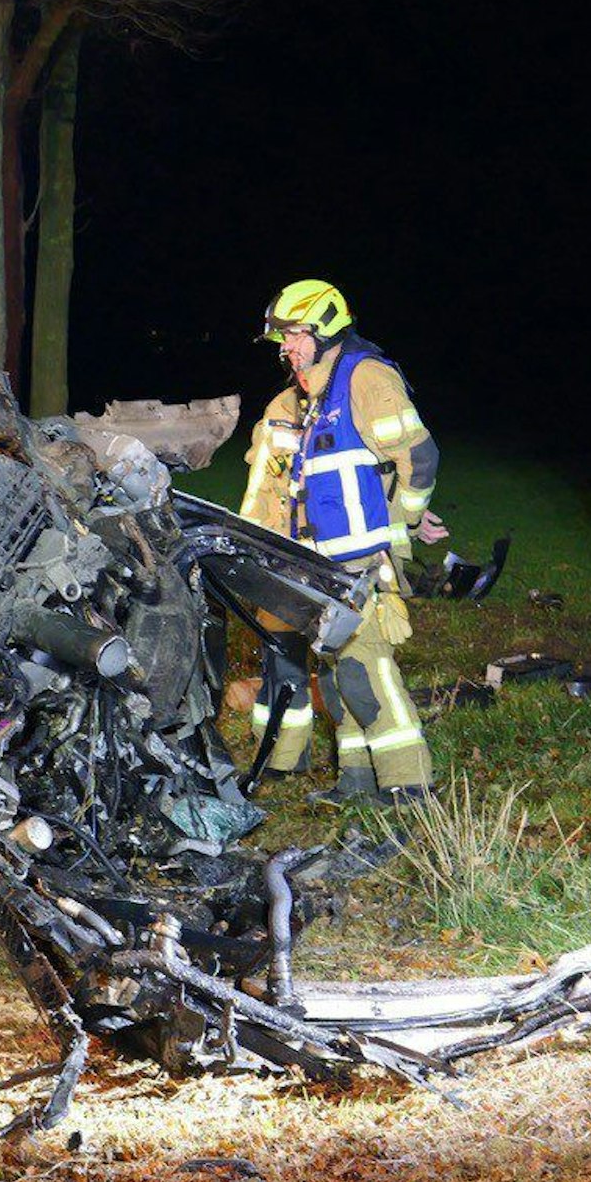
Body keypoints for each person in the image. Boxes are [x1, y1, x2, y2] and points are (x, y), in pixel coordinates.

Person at [239, 279, 439, 803]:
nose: (288, 347)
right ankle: (355, 778)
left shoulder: (365, 379)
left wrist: (406, 522)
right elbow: (275, 485)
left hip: (360, 565)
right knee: (337, 676)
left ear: (327, 329)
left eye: (297, 335)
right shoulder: (295, 400)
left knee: (365, 670)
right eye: (283, 338)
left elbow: (419, 458)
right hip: (314, 566)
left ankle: (408, 785)